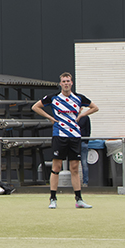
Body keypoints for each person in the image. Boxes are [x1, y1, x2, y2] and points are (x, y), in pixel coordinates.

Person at [31, 72, 97, 209]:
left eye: (68, 81)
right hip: (59, 135)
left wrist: (81, 115)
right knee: (56, 167)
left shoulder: (78, 98)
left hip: (75, 136)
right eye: (64, 81)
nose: (66, 83)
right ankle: (53, 198)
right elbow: (35, 106)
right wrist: (50, 117)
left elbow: (95, 107)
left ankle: (79, 199)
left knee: (74, 168)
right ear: (60, 83)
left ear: (71, 83)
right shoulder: (54, 98)